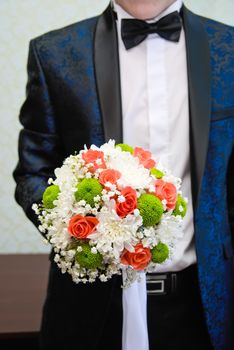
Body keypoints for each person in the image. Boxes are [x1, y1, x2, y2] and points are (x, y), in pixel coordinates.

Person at [13, 0, 234, 349]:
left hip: (207, 308)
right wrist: (81, 229)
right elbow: (31, 175)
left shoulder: (229, 49)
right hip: (90, 310)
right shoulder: (54, 53)